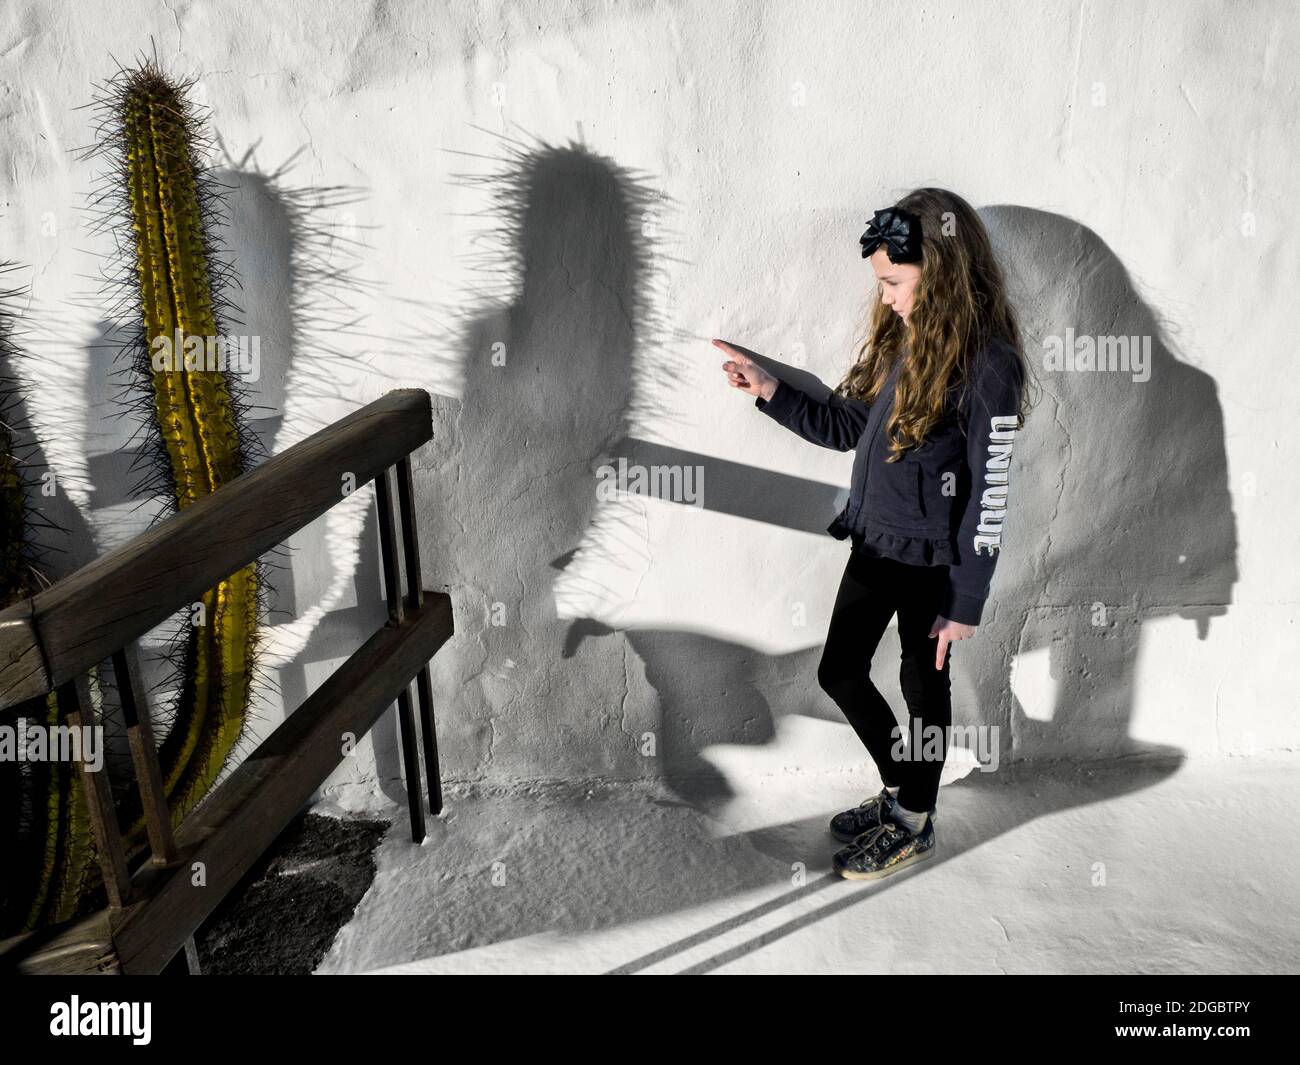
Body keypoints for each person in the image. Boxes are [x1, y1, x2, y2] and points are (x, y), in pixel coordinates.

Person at [714, 188, 1032, 881]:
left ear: (941, 273)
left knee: (924, 688)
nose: (886, 297)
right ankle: (903, 788)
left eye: (895, 282)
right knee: (839, 670)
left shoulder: (990, 366)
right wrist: (771, 390)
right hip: (876, 539)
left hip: (934, 562)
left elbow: (991, 491)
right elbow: (846, 425)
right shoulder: (909, 340)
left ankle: (914, 818)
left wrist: (966, 601)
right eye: (882, 283)